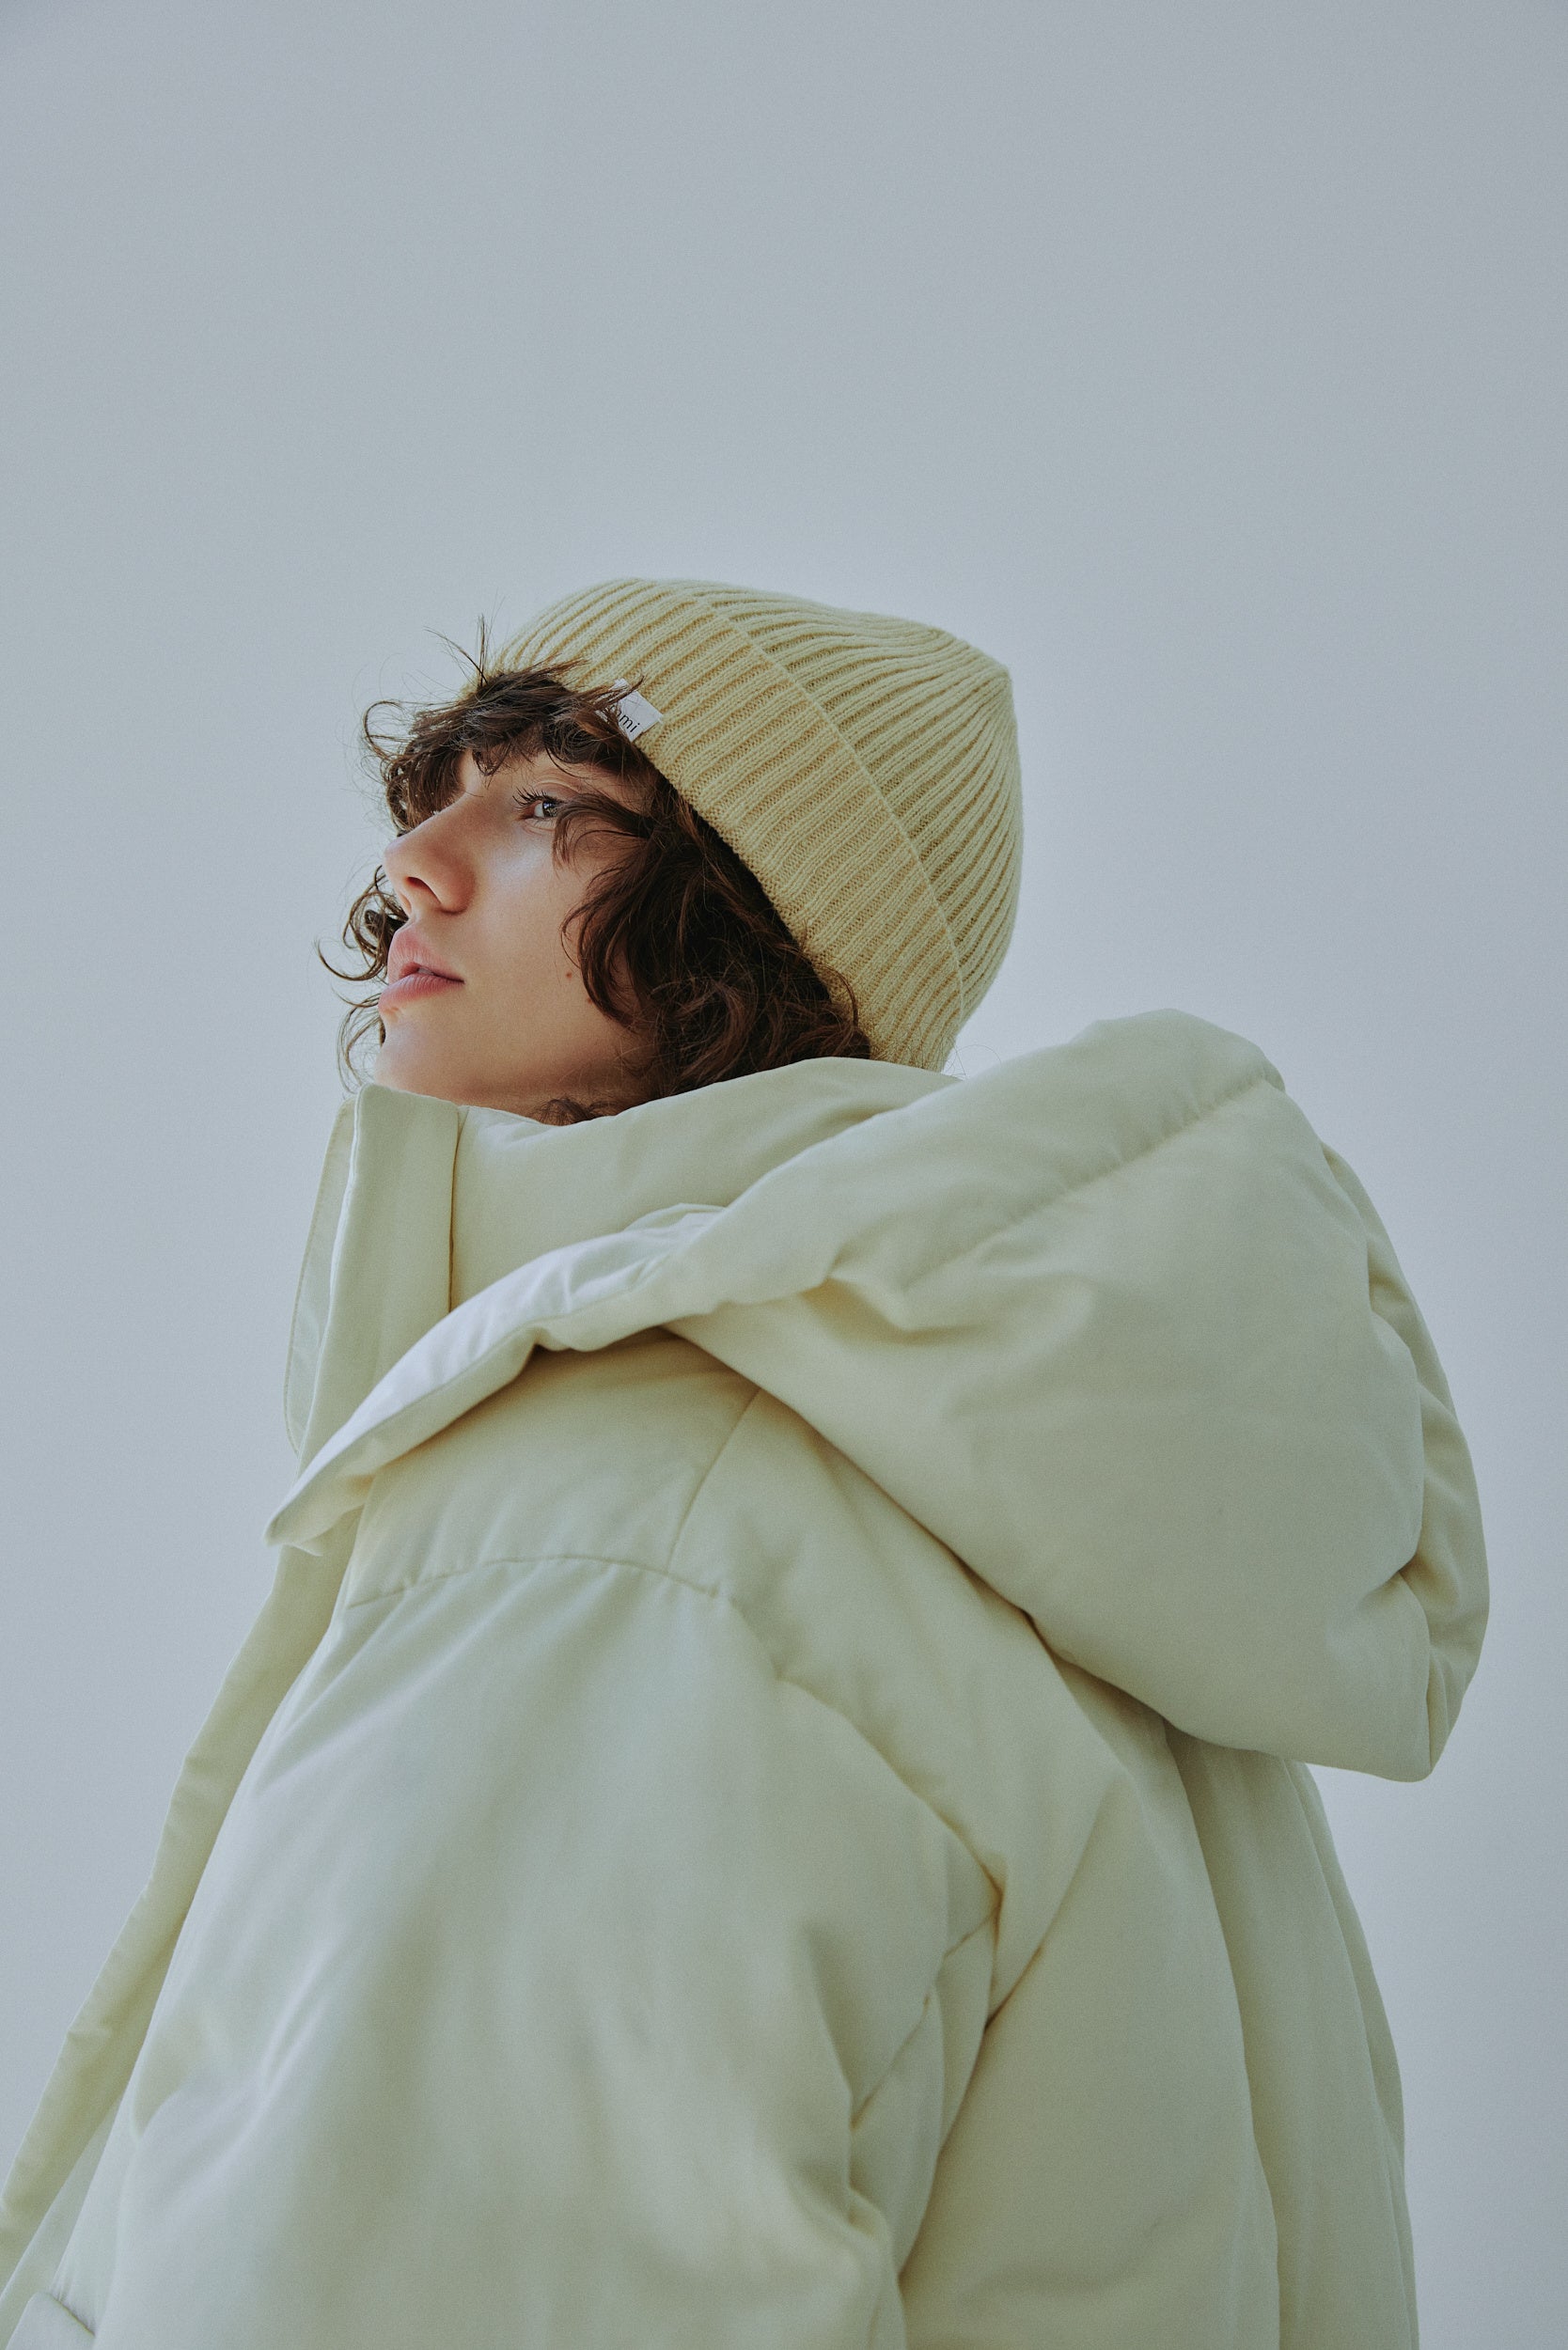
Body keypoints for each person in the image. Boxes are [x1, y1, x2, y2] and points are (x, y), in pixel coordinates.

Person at [0, 578, 1488, 2349]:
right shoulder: (1067, 1531)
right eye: (438, 794)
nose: (416, 866)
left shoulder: (630, 1535)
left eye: (548, 803)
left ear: (757, 920)